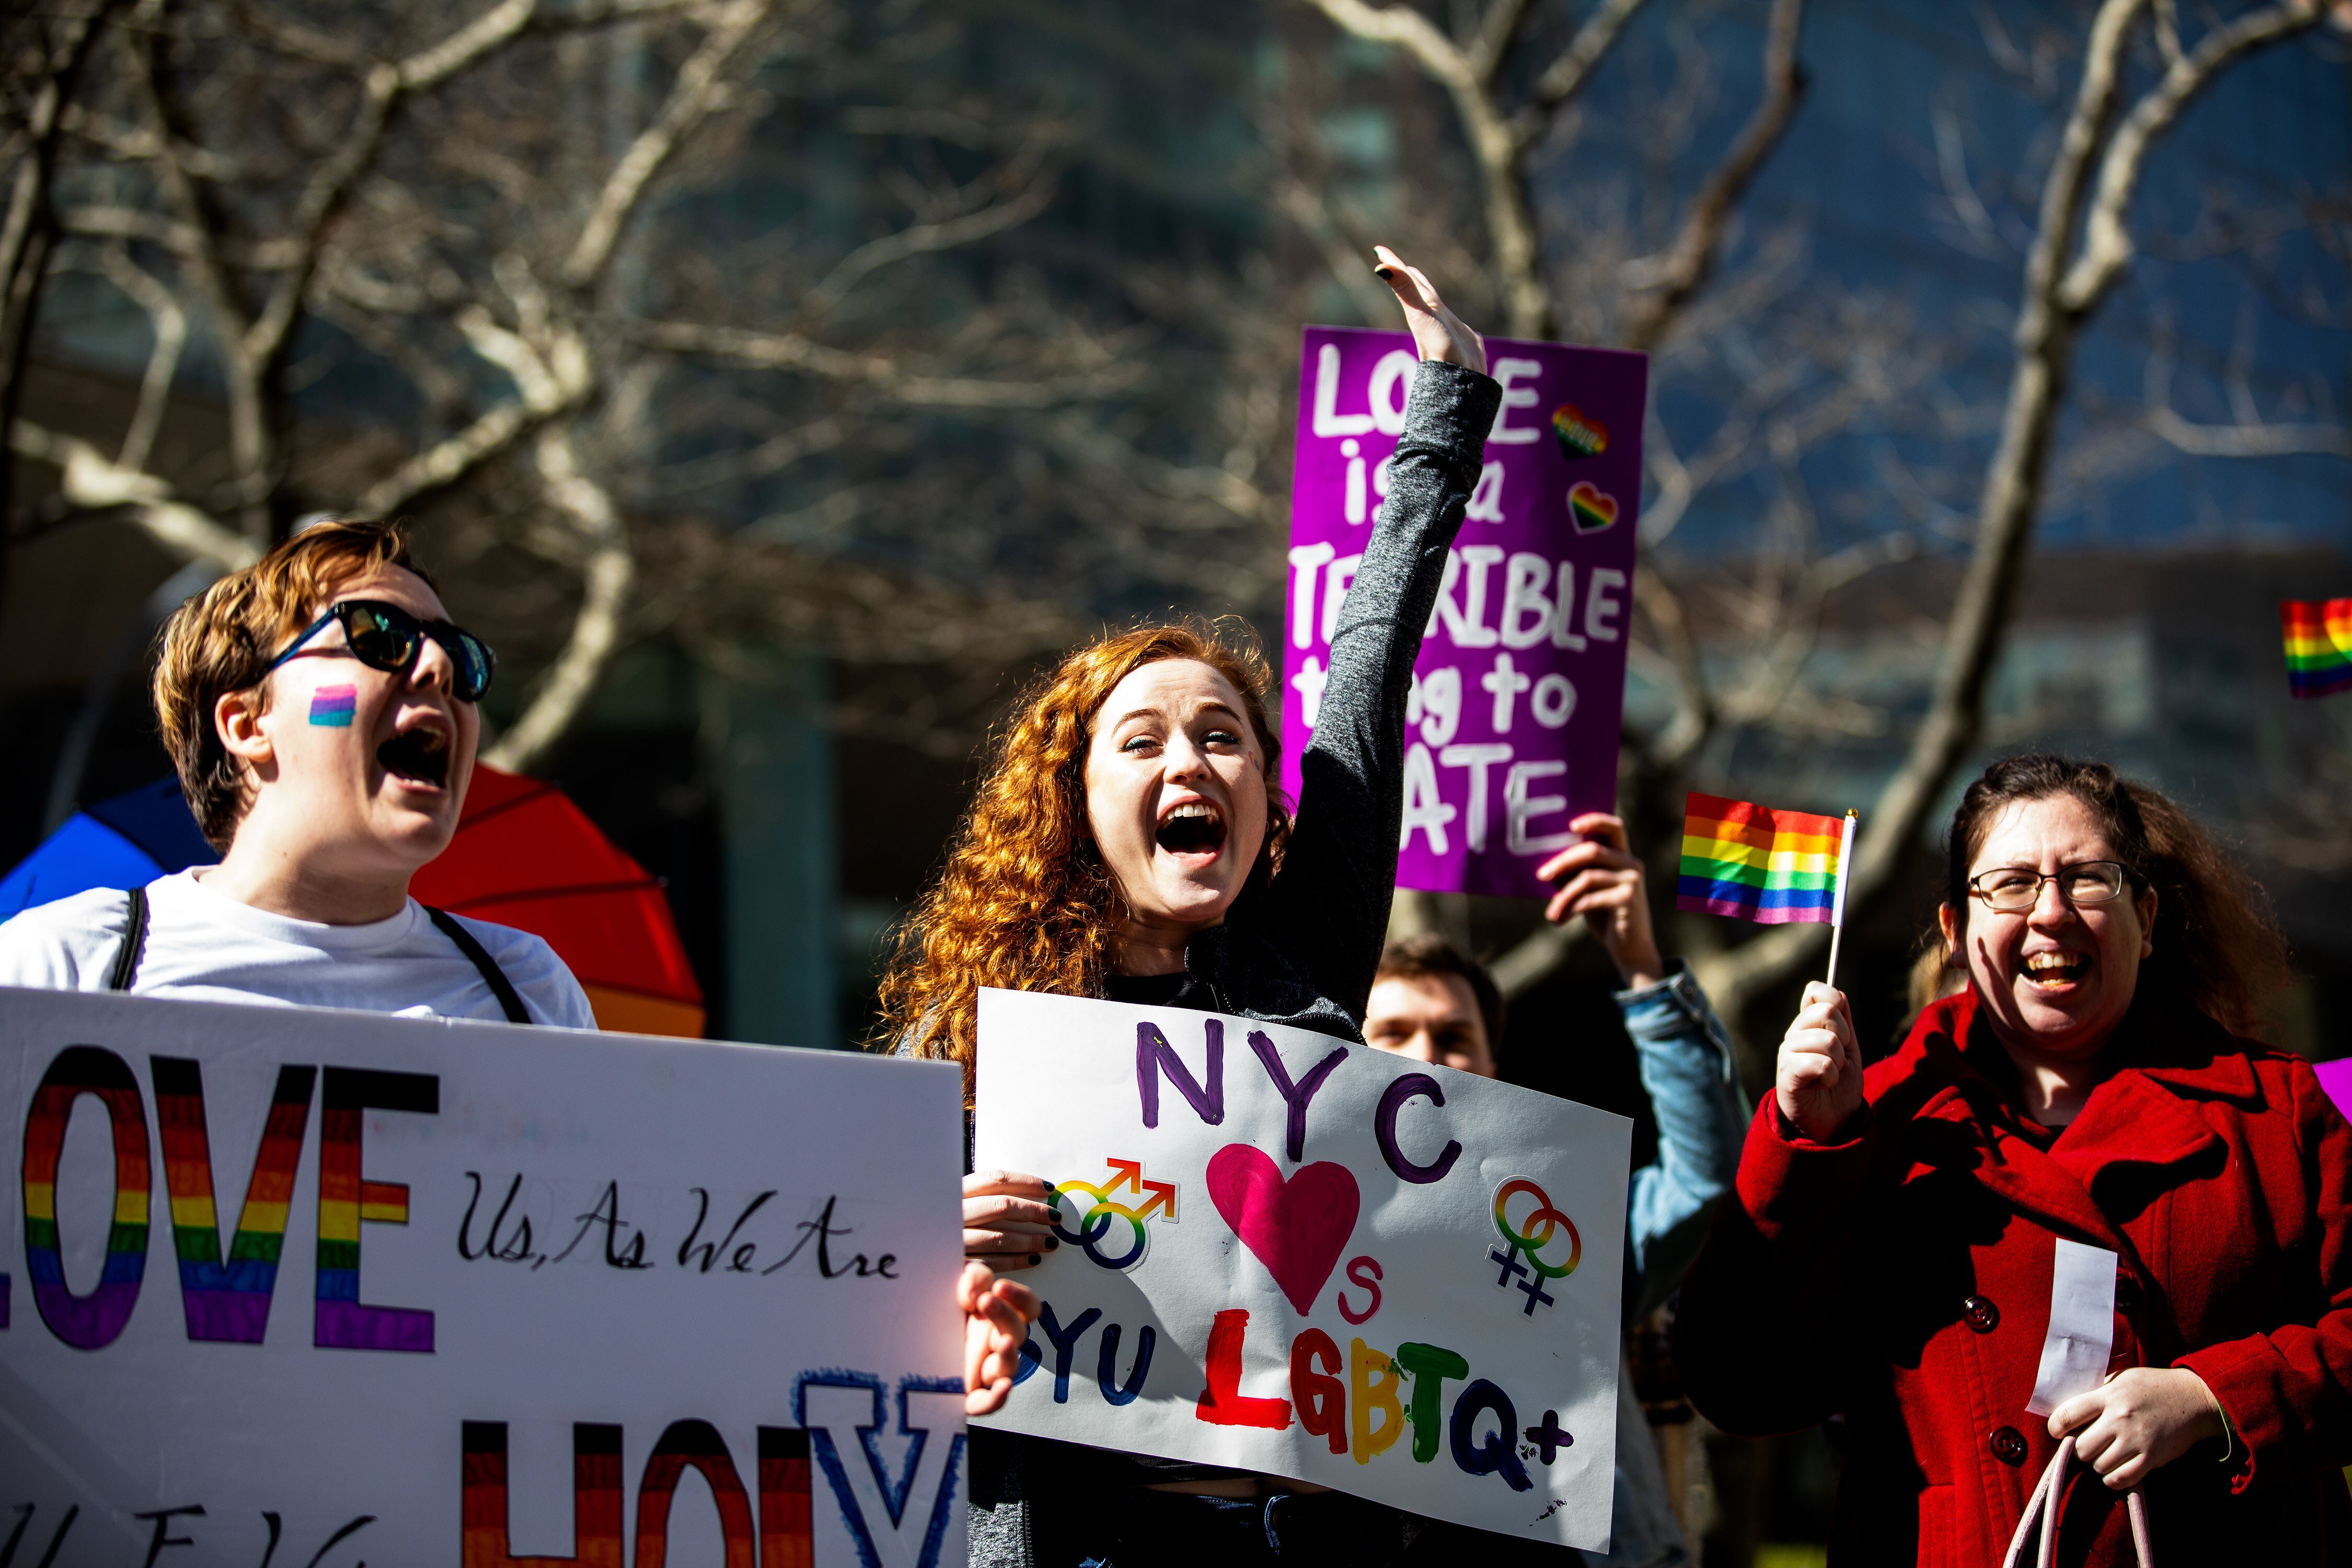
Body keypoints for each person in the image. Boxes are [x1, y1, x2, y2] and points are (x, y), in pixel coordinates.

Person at [0, 516, 1040, 1414]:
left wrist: (887, 1269)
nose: (442, 670)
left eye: (461, 658)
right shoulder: (68, 964)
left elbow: (635, 1281)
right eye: (379, 636)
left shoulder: (524, 986)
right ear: (248, 723)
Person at [876, 247, 1499, 1566]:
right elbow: (860, 1305)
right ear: (1074, 803)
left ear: (1270, 800)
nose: (1189, 764)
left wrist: (1445, 411)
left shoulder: (1303, 960)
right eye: (1143, 741)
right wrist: (943, 1230)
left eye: (1223, 737)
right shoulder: (978, 1034)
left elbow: (1367, 672)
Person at [1674, 754, 2349, 1565]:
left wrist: (2216, 1401)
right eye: (2013, 884)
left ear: (2150, 917)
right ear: (1958, 931)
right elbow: (1738, 1385)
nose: (2052, 913)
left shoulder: (2281, 1112)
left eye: (2089, 880)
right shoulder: (1873, 1124)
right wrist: (1807, 1145)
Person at [1363, 813, 1746, 1568]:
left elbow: (1706, 1182)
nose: (1427, 1060)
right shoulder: (1307, 1225)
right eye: (1396, 1034)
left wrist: (1640, 966)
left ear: (1495, 1067)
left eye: (1454, 1038)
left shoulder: (1565, 1223)